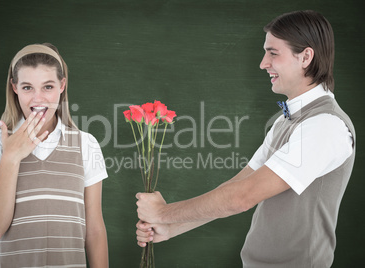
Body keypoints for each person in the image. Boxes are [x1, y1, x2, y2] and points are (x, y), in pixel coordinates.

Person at [135, 10, 356, 267]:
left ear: (306, 57)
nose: (263, 63)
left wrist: (163, 213)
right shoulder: (285, 121)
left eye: (273, 53)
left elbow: (242, 197)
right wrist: (171, 227)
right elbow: (237, 185)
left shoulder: (325, 126)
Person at [0, 43, 109, 267]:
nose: (38, 99)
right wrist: (11, 157)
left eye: (47, 87)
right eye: (27, 87)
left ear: (62, 85)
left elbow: (94, 230)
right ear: (14, 87)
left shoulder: (86, 144)